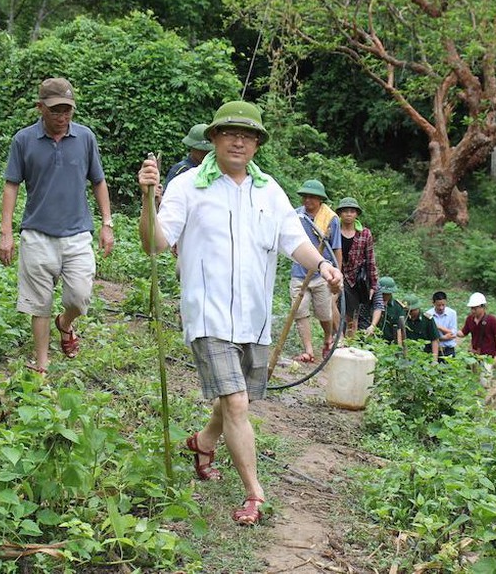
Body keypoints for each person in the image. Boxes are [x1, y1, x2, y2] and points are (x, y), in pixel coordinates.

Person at [137, 101, 342, 526]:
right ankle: (254, 493)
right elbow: (155, 243)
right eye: (229, 132)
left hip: (255, 318)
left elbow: (293, 240)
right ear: (213, 138)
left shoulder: (269, 190)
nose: (238, 140)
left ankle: (203, 442)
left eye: (247, 135)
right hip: (208, 315)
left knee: (238, 399)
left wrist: (320, 264)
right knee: (235, 402)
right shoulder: (189, 185)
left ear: (257, 144)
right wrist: (146, 200)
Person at [0, 77, 114, 373]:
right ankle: (42, 367)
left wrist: (107, 223)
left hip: (77, 234)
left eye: (67, 111)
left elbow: (98, 181)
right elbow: (11, 186)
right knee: (39, 304)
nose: (62, 118)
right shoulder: (23, 140)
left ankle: (66, 323)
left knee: (79, 297)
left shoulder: (85, 138)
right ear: (40, 108)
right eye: (55, 111)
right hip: (37, 234)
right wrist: (6, 233)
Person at [290, 179, 342, 362]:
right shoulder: (296, 216)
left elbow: (337, 250)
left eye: (312, 197)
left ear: (320, 199)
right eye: (305, 196)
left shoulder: (331, 219)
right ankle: (308, 350)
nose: (307, 200)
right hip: (299, 272)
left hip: (322, 274)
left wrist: (337, 274)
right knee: (300, 311)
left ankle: (328, 338)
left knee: (324, 312)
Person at [336, 197, 378, 337]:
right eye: (345, 211)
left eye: (352, 211)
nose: (348, 214)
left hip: (355, 279)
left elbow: (370, 260)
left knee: (351, 316)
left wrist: (373, 284)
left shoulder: (365, 234)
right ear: (340, 213)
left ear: (356, 214)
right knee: (333, 309)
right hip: (335, 275)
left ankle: (349, 342)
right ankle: (335, 340)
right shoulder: (334, 231)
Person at [163, 123, 214, 189]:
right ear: (192, 148)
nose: (205, 154)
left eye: (208, 151)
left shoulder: (215, 170)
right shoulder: (180, 170)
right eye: (200, 150)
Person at [457, 292, 496, 360]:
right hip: (474, 355)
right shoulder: (470, 319)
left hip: (488, 357)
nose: (473, 311)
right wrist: (452, 331)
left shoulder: (492, 320)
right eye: (471, 308)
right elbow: (463, 333)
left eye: (475, 308)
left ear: (482, 307)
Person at [404, 294, 440, 362]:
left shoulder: (427, 319)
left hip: (424, 357)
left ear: (418, 308)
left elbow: (434, 340)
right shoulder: (403, 318)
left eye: (412, 311)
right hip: (407, 356)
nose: (409, 313)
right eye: (407, 310)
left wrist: (434, 360)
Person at [425, 291, 458, 361]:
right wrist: (443, 337)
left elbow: (453, 334)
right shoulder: (428, 315)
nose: (441, 308)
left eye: (443, 305)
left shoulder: (452, 313)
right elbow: (428, 337)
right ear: (433, 303)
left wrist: (437, 326)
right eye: (438, 305)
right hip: (432, 351)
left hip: (448, 350)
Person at [377, 276, 405, 344]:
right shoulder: (371, 304)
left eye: (387, 294)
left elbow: (400, 329)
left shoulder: (397, 307)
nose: (385, 296)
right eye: (383, 294)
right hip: (373, 341)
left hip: (390, 344)